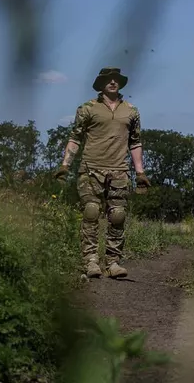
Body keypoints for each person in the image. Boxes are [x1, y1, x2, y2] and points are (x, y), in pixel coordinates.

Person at [60, 66, 145, 279]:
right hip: (90, 169)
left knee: (117, 215)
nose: (113, 82)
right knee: (90, 212)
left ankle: (113, 262)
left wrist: (140, 172)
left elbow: (135, 142)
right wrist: (65, 165)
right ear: (101, 84)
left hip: (119, 171)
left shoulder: (131, 110)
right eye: (108, 79)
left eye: (116, 79)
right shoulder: (87, 108)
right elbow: (75, 138)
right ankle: (91, 261)